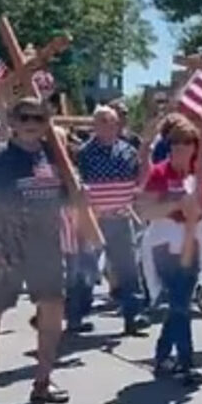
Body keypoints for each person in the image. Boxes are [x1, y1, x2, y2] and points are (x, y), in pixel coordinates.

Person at [0, 98, 71, 404]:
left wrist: (79, 190)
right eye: (24, 116)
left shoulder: (55, 155)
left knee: (52, 306)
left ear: (46, 123)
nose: (31, 123)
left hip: (46, 244)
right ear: (12, 122)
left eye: (38, 118)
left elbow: (68, 195)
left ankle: (43, 379)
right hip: (6, 243)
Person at [135, 114, 202, 387]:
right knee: (180, 303)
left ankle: (162, 355)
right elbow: (144, 209)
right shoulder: (160, 173)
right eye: (176, 142)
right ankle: (186, 363)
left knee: (181, 303)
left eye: (187, 142)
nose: (181, 147)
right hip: (164, 244)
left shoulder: (197, 175)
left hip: (191, 242)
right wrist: (175, 204)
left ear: (194, 146)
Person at [75, 105, 149, 335]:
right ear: (94, 125)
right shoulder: (84, 153)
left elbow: (138, 180)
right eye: (103, 121)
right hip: (93, 219)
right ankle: (76, 317)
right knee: (85, 268)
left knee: (128, 269)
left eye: (112, 122)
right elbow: (76, 183)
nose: (109, 126)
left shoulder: (128, 151)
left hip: (121, 217)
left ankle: (132, 316)